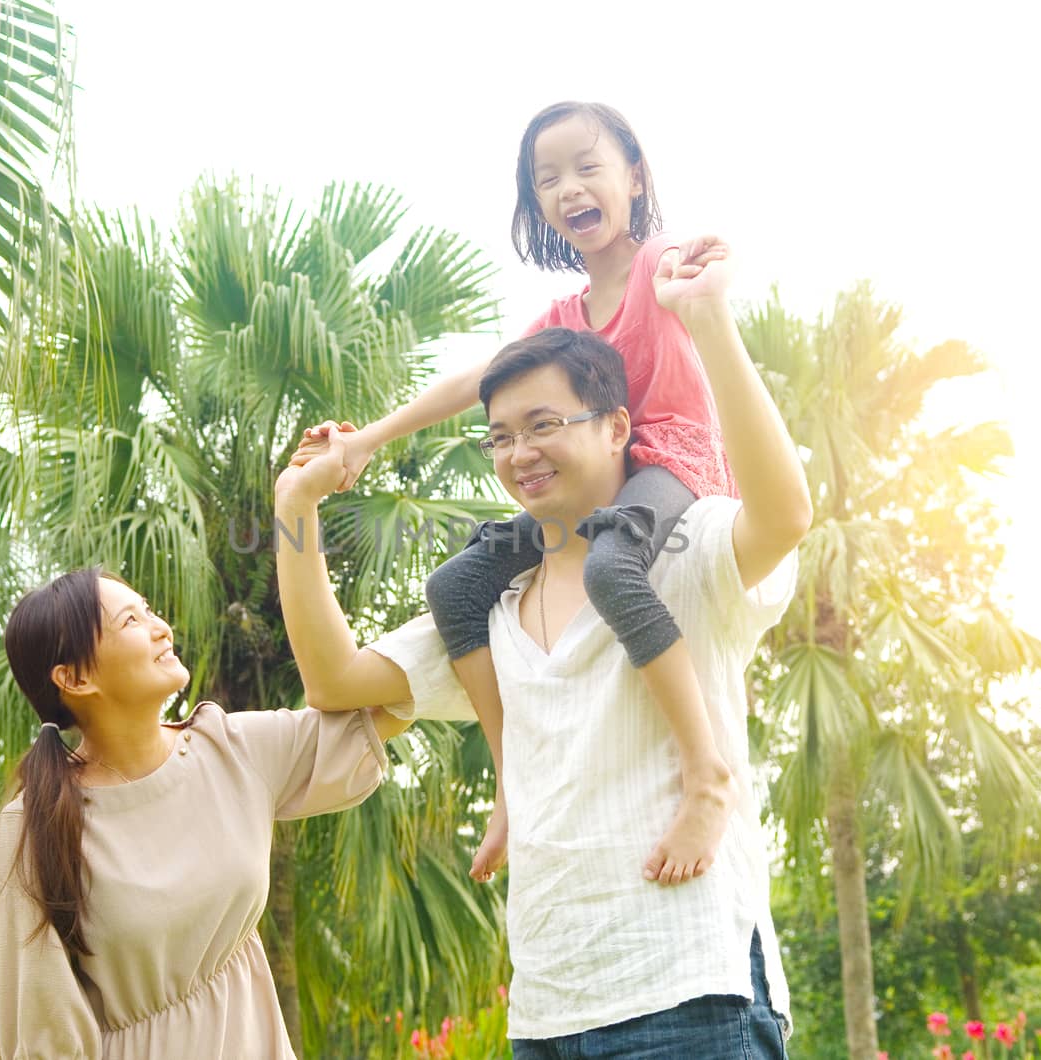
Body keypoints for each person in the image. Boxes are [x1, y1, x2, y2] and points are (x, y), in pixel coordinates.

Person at [277, 244, 811, 1054]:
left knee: (615, 569)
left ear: (617, 427)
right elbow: (334, 682)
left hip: (690, 995)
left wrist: (709, 318)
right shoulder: (494, 602)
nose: (520, 453)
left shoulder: (689, 545)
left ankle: (711, 776)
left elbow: (782, 516)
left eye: (545, 426)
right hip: (549, 1015)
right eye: (499, 438)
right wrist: (294, 508)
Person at [296, 100, 739, 885]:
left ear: (634, 176)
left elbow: (694, 265)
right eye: (548, 178)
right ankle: (511, 782)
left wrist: (700, 267)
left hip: (672, 466)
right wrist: (367, 438)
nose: (569, 187)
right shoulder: (563, 319)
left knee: (608, 568)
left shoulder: (657, 263)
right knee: (457, 584)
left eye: (587, 166)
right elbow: (479, 382)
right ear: (536, 202)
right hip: (600, 491)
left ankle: (706, 776)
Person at [0, 567, 410, 1058]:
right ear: (74, 678)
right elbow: (40, 1033)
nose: (161, 627)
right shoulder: (31, 828)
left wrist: (296, 508)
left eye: (150, 612)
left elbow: (391, 695)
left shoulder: (229, 748)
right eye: (130, 621)